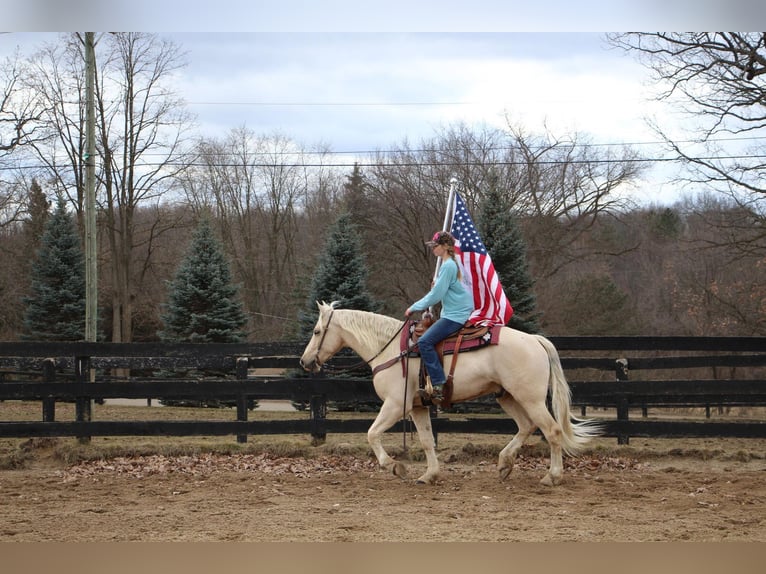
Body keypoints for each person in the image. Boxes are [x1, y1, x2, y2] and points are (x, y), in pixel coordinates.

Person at [405, 230, 474, 403]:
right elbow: (447, 289)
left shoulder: (448, 265)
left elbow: (436, 296)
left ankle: (438, 384)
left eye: (435, 246)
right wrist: (438, 285)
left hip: (455, 315)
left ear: (444, 246)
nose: (433, 249)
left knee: (424, 342)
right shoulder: (454, 263)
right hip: (458, 311)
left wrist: (414, 307)